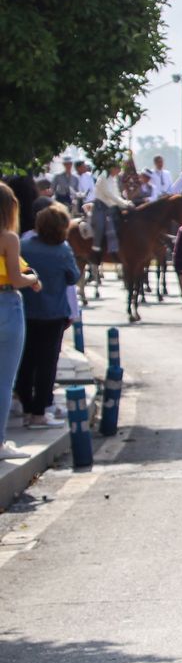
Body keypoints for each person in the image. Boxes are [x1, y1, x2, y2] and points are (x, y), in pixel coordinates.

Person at [17, 203, 77, 429]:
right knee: (47, 364)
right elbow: (73, 277)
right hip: (53, 314)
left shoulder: (24, 246)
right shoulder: (63, 250)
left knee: (26, 361)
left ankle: (26, 406)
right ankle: (39, 412)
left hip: (27, 311)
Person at [1, 182, 43, 462]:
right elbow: (17, 278)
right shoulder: (9, 238)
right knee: (4, 381)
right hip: (6, 304)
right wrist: (34, 279)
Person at [90, 162, 131, 256]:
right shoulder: (103, 177)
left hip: (112, 207)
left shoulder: (114, 178)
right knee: (100, 226)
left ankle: (117, 248)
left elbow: (117, 194)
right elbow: (109, 194)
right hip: (101, 207)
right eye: (117, 168)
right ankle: (95, 250)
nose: (119, 170)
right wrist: (124, 204)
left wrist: (126, 203)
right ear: (112, 168)